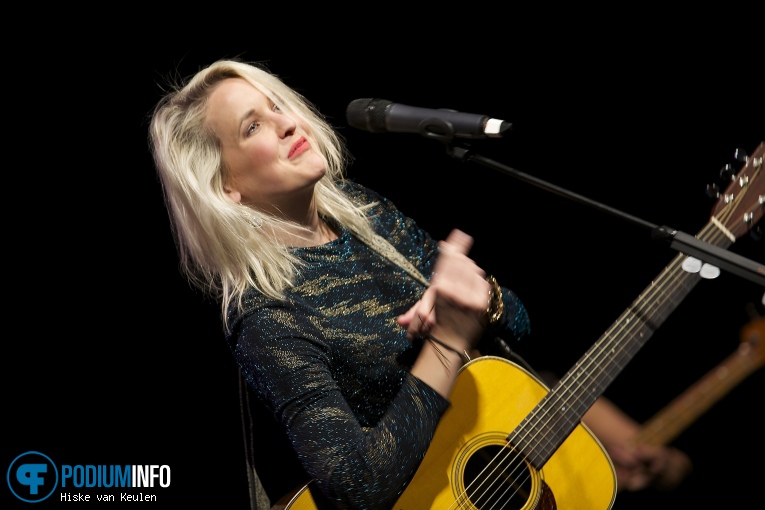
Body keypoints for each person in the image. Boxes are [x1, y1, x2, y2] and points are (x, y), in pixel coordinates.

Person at [148, 58, 691, 509]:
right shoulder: (265, 316)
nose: (287, 122)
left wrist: (483, 295)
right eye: (252, 127)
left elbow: (520, 328)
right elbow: (354, 488)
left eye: (277, 105)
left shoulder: (367, 216)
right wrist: (449, 339)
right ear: (225, 187)